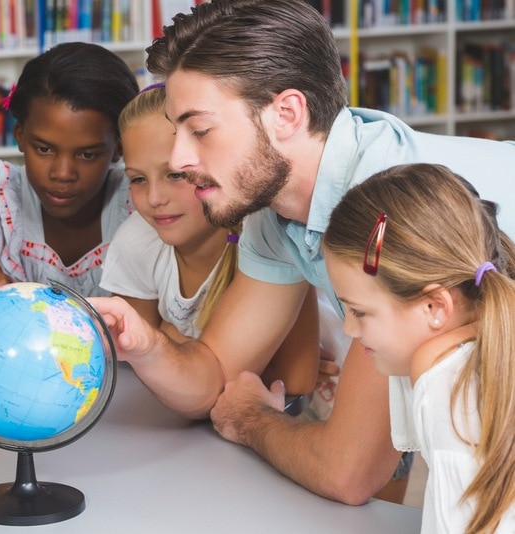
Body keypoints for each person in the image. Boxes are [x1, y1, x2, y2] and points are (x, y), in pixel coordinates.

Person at [91, 0, 515, 505]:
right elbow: (214, 377)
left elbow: (348, 471)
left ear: (287, 113)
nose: (180, 159)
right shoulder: (272, 207)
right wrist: (149, 346)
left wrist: (251, 418)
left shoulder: (382, 213)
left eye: (200, 130)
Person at [323, 163, 515, 532]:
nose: (349, 329)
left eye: (360, 312)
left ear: (435, 308)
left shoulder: (445, 384)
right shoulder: (481, 355)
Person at [101, 83, 319, 395]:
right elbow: (136, 359)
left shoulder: (270, 235)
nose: (154, 198)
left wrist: (171, 341)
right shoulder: (136, 241)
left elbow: (294, 380)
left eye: (175, 175)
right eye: (138, 179)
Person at [0, 41, 139, 298]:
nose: (62, 173)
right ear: (20, 136)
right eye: (44, 150)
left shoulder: (138, 207)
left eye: (87, 154)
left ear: (119, 148)